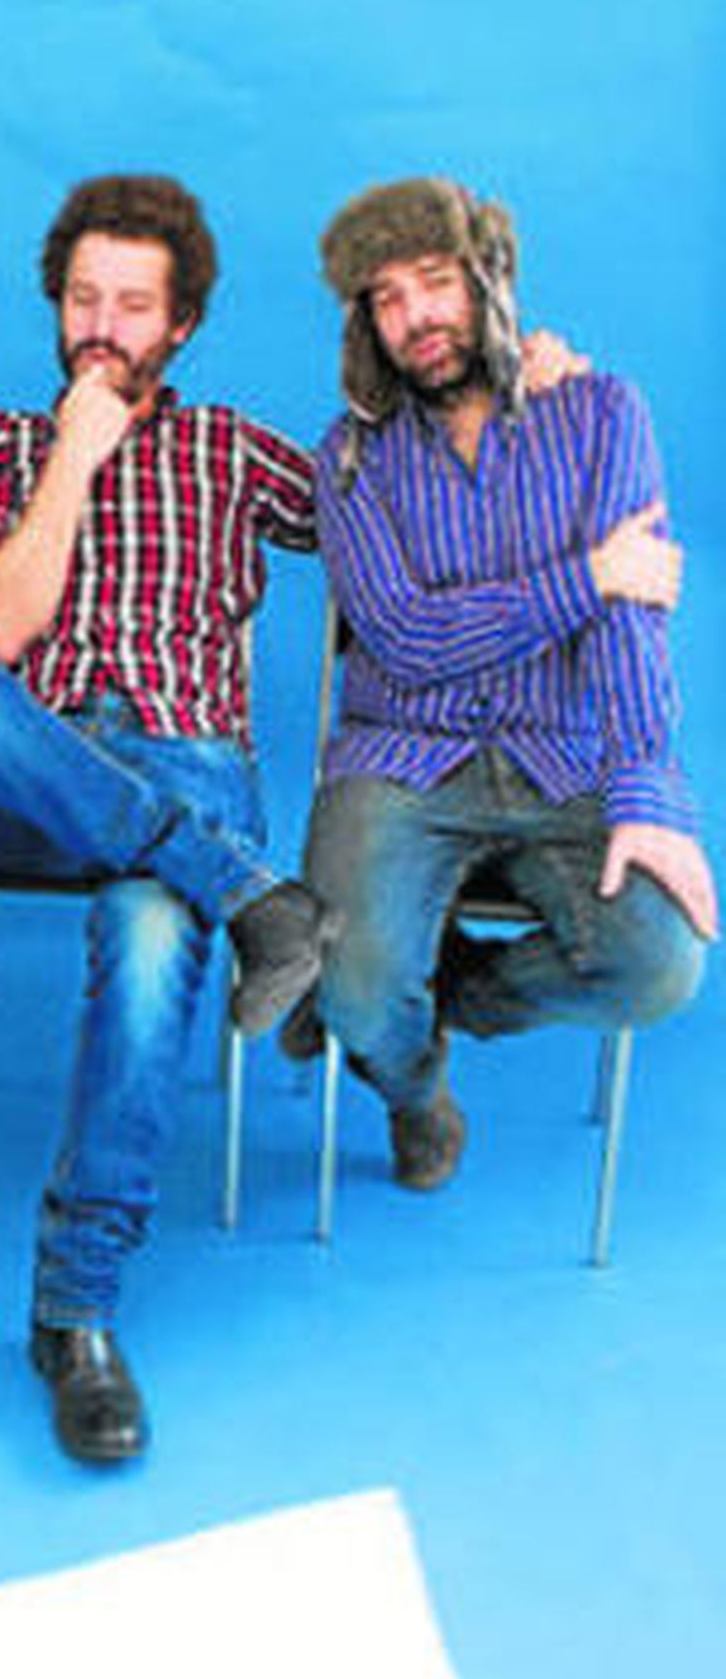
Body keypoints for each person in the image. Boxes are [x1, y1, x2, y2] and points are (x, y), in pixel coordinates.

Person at [0, 174, 332, 1465]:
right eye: (83, 298)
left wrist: (532, 400)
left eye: (133, 306)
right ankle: (242, 890)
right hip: (33, 770)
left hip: (189, 757)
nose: (101, 326)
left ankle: (73, 1312)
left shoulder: (233, 449)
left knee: (147, 930)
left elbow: (400, 511)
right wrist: (75, 453)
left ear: (179, 325)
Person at [303, 177, 715, 1193]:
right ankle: (413, 1091)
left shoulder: (601, 413)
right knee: (358, 994)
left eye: (434, 281)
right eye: (387, 298)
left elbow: (631, 619)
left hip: (560, 757)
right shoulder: (349, 458)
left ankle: (452, 992)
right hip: (401, 758)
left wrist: (647, 792)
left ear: (487, 279)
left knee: (661, 964)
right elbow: (403, 638)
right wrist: (584, 577)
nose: (417, 317)